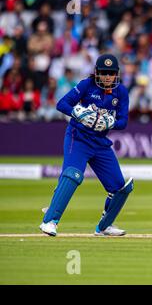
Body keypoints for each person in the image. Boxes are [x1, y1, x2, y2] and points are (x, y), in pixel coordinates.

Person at [40, 54, 133, 237]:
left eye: (111, 73)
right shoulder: (86, 85)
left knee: (119, 187)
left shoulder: (121, 92)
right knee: (73, 175)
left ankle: (105, 226)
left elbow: (123, 122)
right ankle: (49, 221)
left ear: (116, 74)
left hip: (100, 143)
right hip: (79, 137)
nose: (108, 77)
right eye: (104, 73)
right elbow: (62, 104)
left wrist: (109, 122)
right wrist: (79, 112)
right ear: (97, 73)